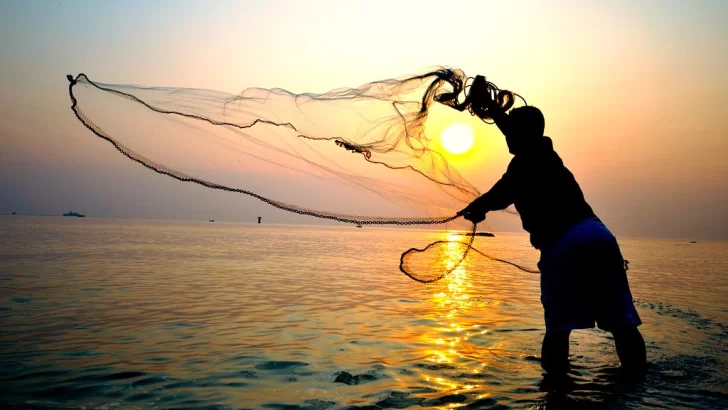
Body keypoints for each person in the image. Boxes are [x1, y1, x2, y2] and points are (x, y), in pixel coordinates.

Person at [458, 89, 646, 376]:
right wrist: (495, 113)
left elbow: (500, 194)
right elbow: (515, 130)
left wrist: (477, 208)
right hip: (599, 235)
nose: (507, 137)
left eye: (512, 132)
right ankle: (639, 383)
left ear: (523, 134)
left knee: (558, 330)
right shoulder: (547, 153)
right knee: (622, 324)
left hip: (563, 241)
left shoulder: (522, 163)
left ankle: (556, 391)